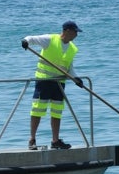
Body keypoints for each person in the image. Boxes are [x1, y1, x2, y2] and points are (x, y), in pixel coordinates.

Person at [21, 20, 83, 149]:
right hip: (44, 81)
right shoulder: (50, 39)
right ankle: (32, 139)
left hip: (59, 83)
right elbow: (30, 39)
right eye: (74, 32)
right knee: (37, 109)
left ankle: (55, 141)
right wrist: (25, 41)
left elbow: (69, 67)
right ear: (66, 31)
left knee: (57, 112)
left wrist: (76, 78)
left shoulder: (73, 48)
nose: (76, 35)